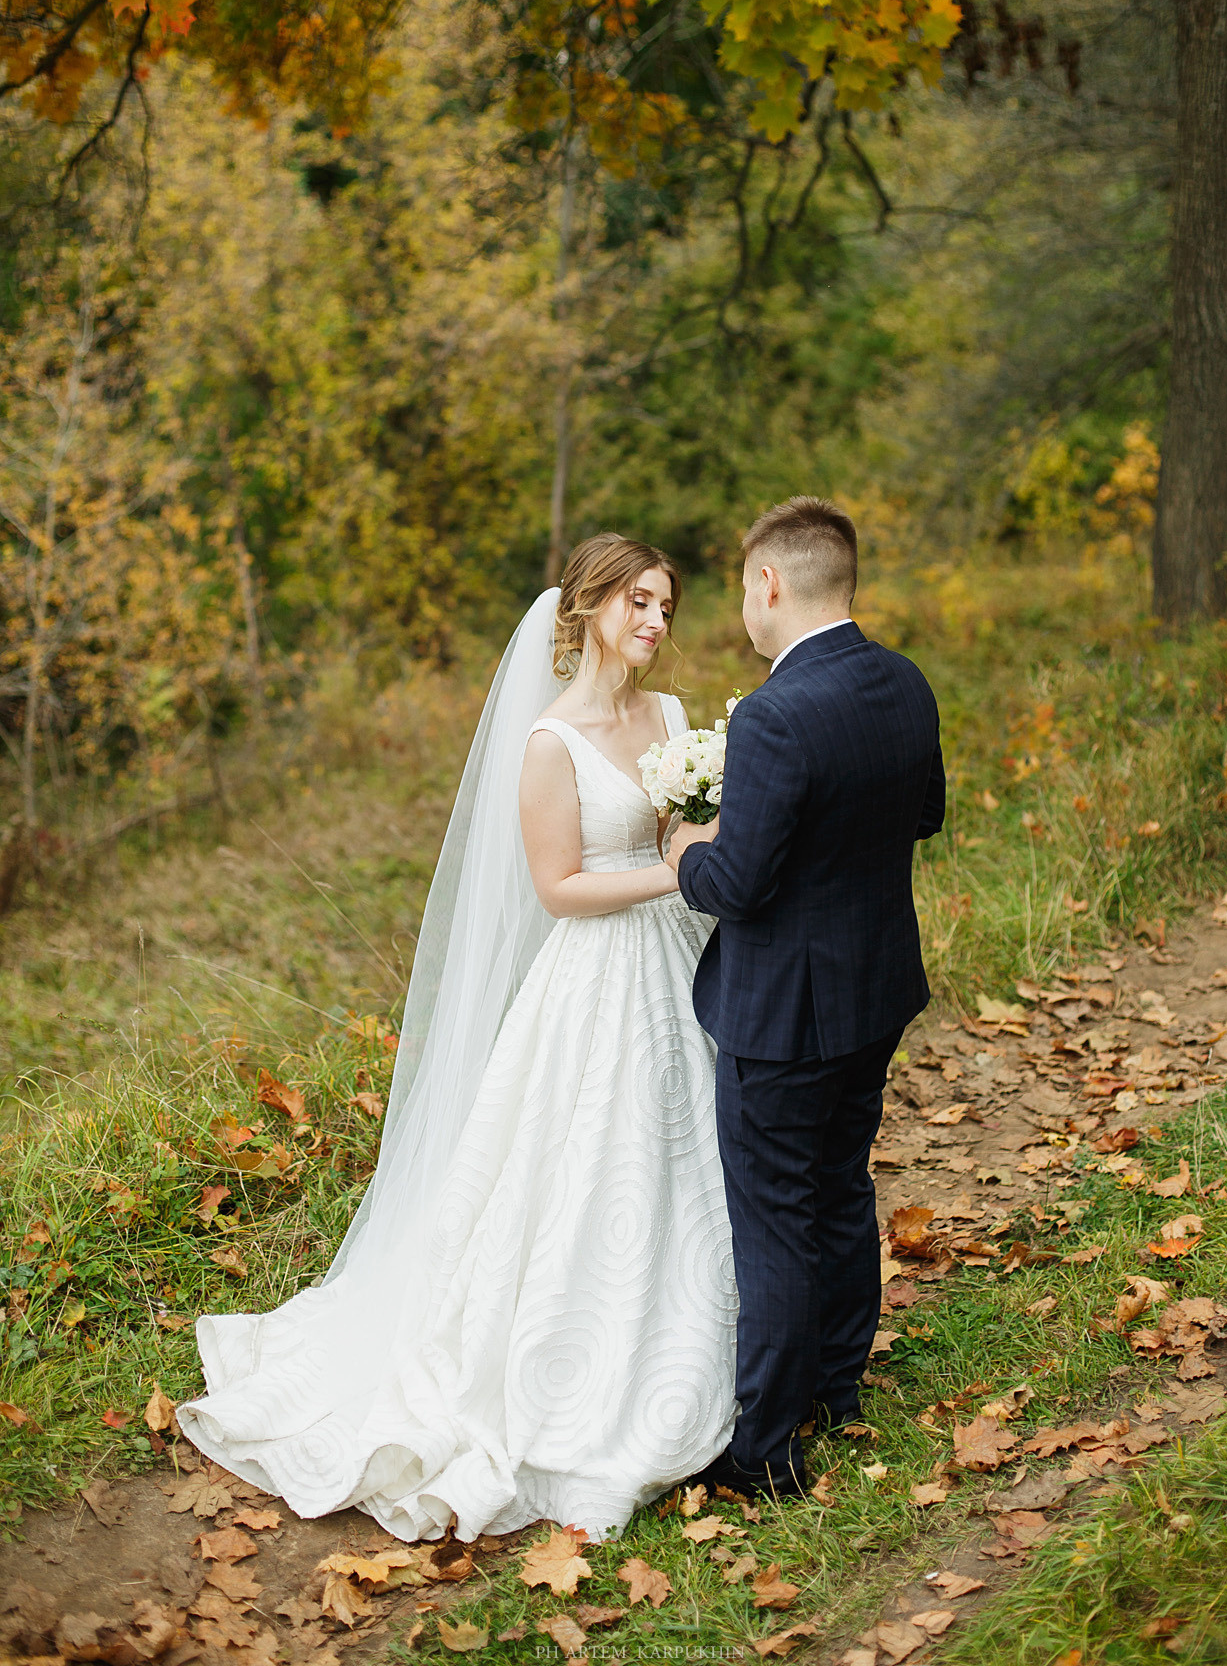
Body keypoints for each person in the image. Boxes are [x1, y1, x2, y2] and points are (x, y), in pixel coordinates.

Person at [178, 534, 737, 1543]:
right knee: (584, 1165)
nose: (655, 622)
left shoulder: (668, 718)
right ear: (585, 609)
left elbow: (672, 830)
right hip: (597, 977)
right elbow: (560, 889)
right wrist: (674, 875)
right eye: (637, 602)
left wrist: (690, 850)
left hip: (679, 960)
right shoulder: (549, 741)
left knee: (696, 1141)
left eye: (665, 606)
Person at [667, 496, 945, 1500]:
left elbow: (734, 885)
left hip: (780, 1014)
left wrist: (682, 849)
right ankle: (837, 1388)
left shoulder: (778, 714)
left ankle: (764, 1451)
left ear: (767, 584)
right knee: (838, 1186)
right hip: (874, 990)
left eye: (744, 586)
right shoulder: (903, 681)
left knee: (777, 1217)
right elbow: (925, 813)